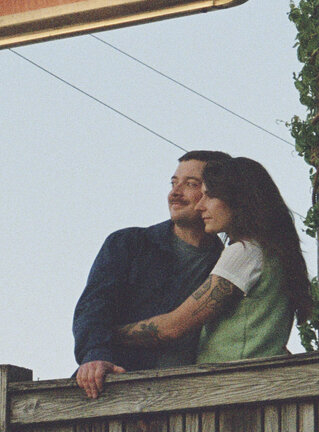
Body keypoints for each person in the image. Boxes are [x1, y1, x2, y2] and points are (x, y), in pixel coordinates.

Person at [113, 156, 311, 365]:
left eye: (209, 196)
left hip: (232, 380)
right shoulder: (272, 251)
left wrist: (105, 334)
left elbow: (172, 328)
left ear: (238, 199)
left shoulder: (244, 252)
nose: (200, 206)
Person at [71, 150, 230, 399]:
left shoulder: (226, 264)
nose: (175, 193)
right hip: (117, 391)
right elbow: (93, 308)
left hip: (192, 400)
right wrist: (95, 355)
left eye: (191, 184)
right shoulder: (129, 244)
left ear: (218, 194)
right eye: (174, 183)